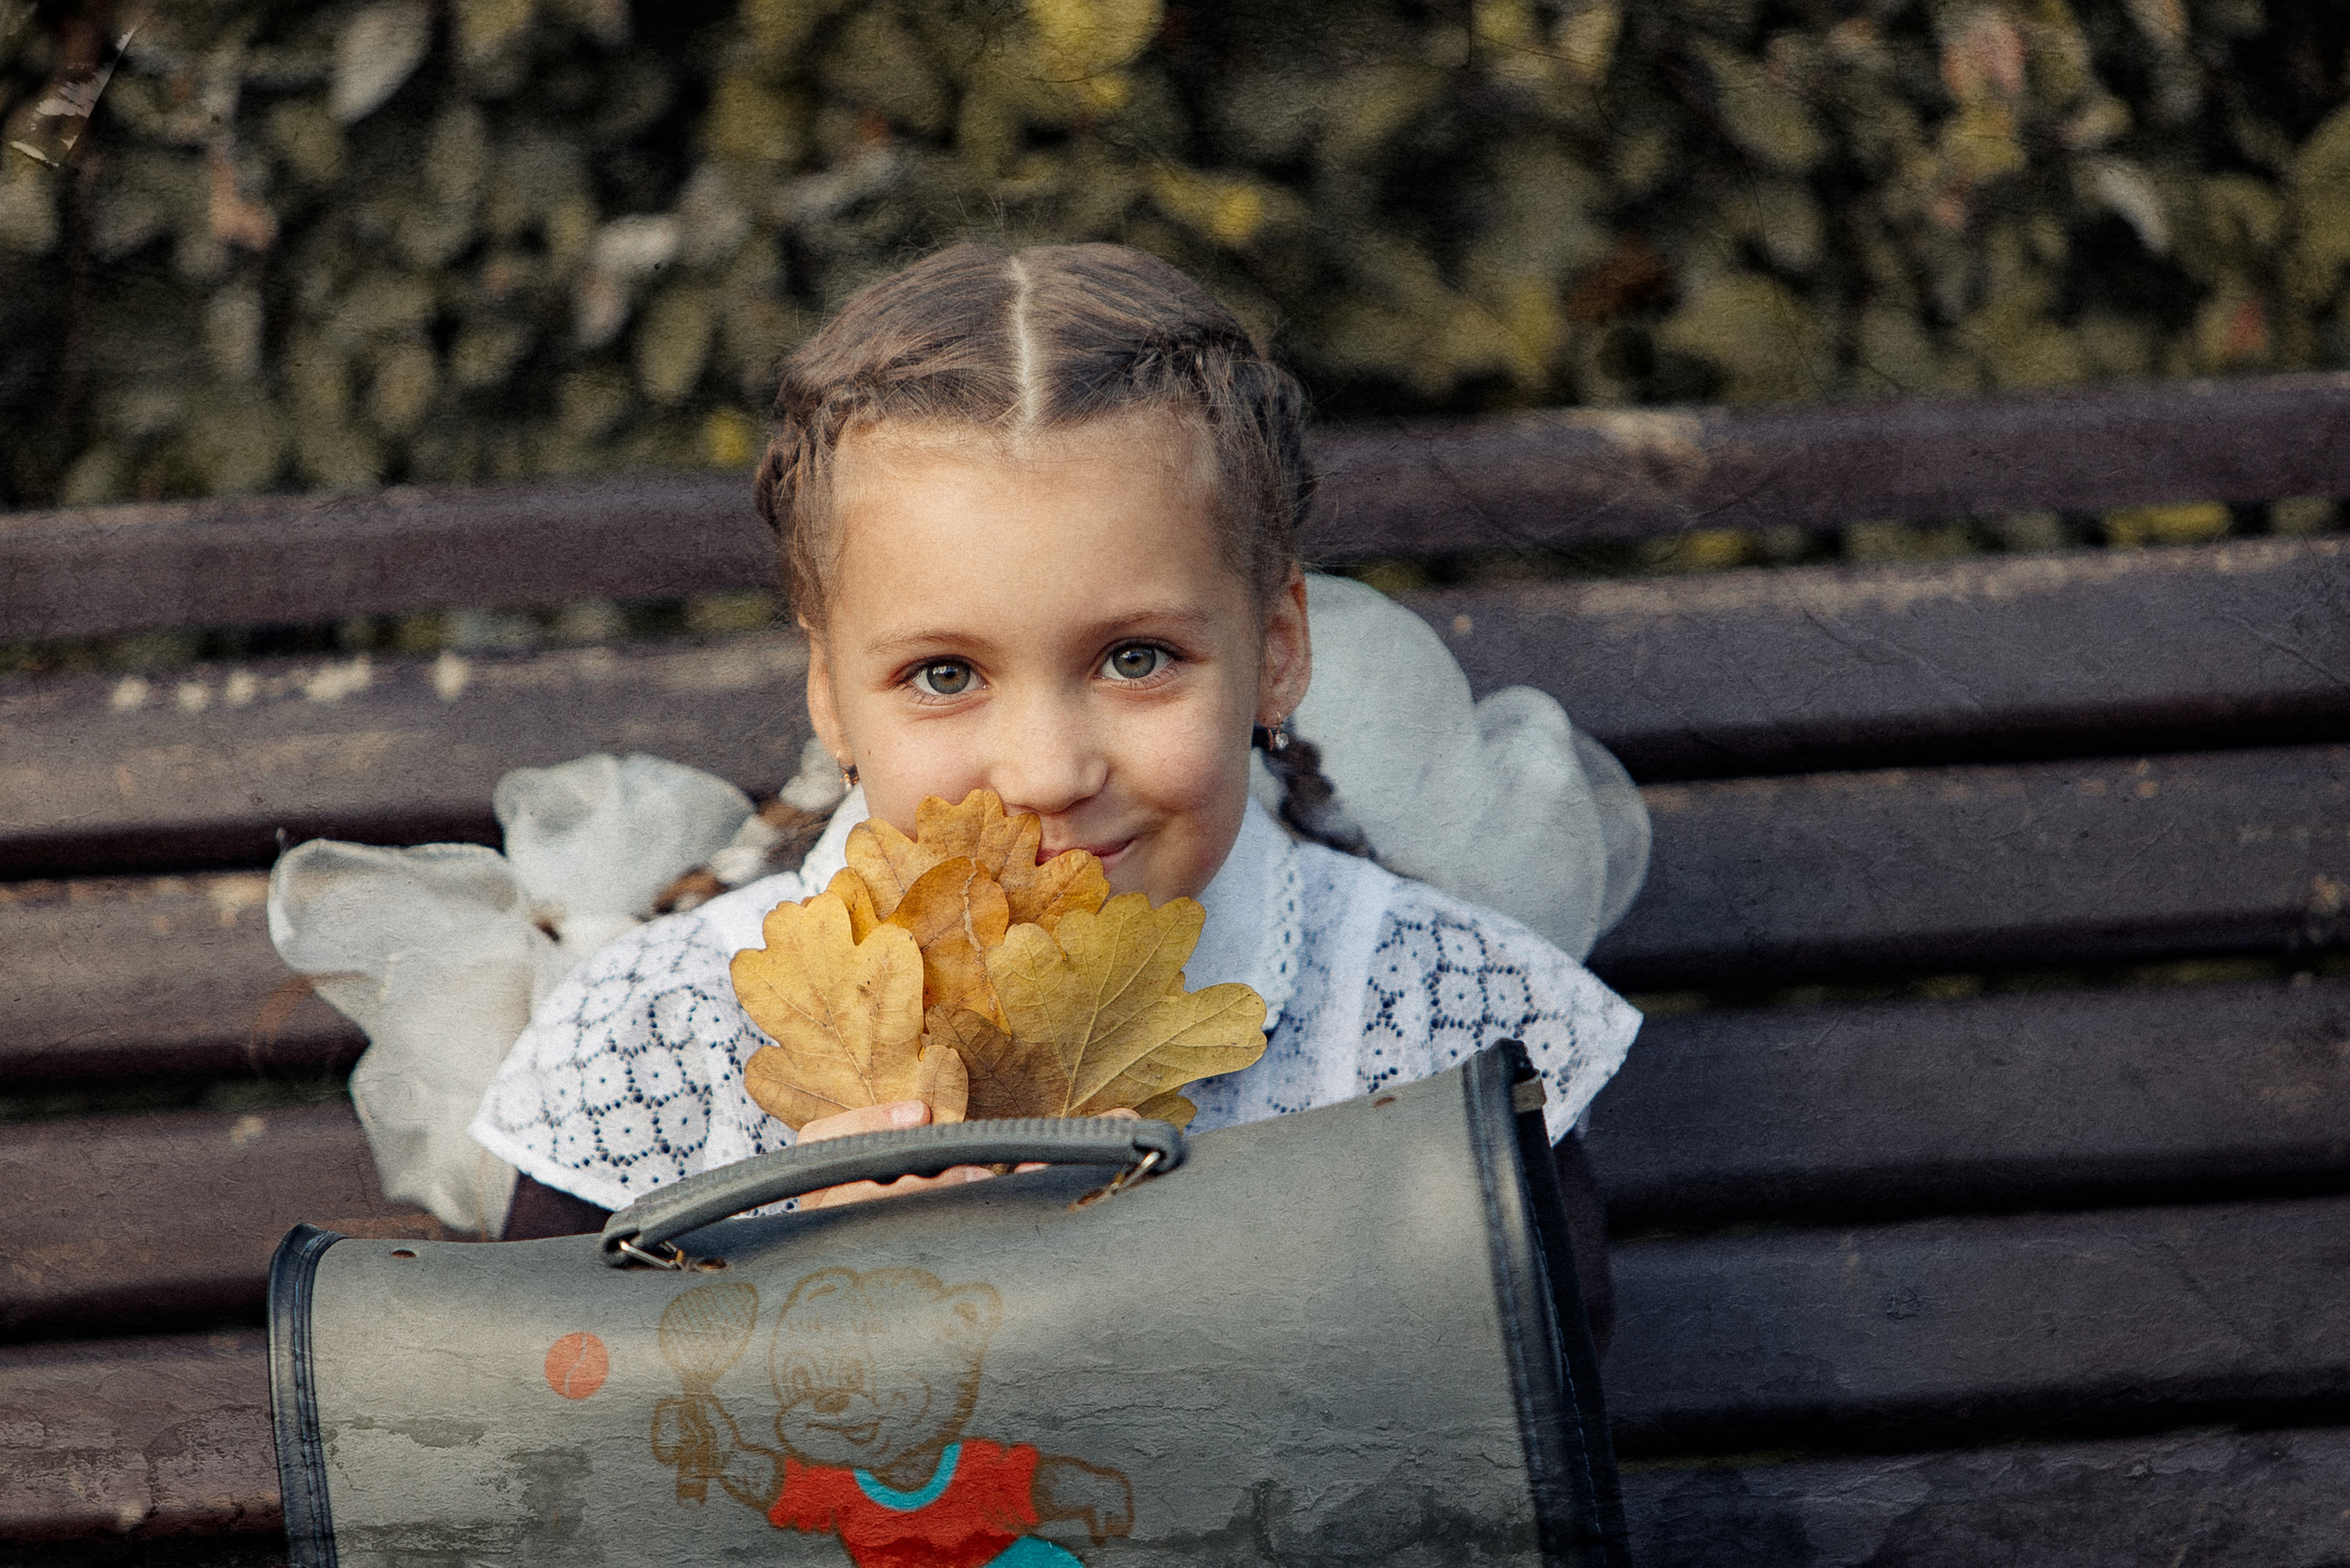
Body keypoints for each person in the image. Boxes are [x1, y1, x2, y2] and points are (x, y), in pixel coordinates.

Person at [281, 241, 1643, 1342]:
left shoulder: (1432, 1034)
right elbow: (547, 1467)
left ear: (1277, 649)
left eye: (1135, 658)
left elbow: (1525, 1455)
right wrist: (821, 1304)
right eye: (944, 675)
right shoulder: (674, 1044)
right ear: (829, 697)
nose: (1049, 773)